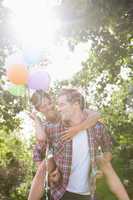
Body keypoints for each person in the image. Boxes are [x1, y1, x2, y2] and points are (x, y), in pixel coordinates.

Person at [28, 89, 130, 200]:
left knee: (102, 161)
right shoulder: (53, 127)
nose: (57, 108)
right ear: (38, 109)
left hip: (88, 192)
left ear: (76, 104)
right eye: (43, 106)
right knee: (45, 164)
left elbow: (107, 147)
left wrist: (101, 166)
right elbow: (39, 146)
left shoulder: (96, 127)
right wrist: (50, 174)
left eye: (61, 105)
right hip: (62, 189)